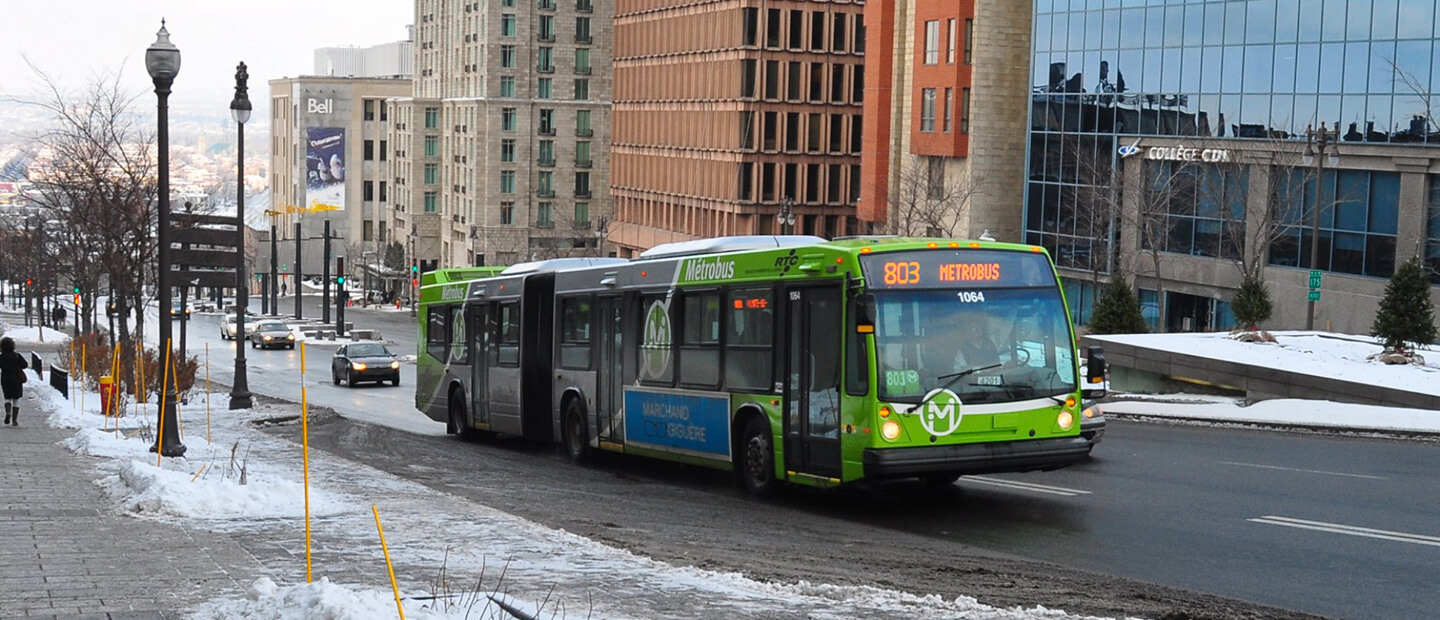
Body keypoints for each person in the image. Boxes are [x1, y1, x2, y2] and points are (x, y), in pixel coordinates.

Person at [0, 336, 30, 426]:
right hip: (17, 379)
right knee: (16, 399)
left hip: (5, 379)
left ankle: (8, 412)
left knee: (7, 398)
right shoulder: (17, 356)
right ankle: (14, 420)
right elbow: (25, 365)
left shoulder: (1, 357)